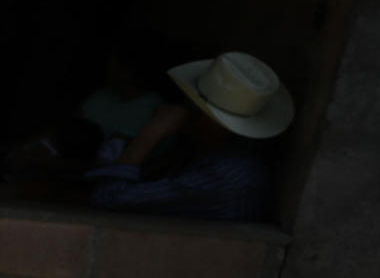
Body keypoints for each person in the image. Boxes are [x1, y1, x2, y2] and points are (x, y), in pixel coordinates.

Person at [83, 50, 292, 221]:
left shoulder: (228, 175)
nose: (181, 106)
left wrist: (149, 134)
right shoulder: (212, 155)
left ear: (200, 117)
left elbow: (107, 199)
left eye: (189, 103)